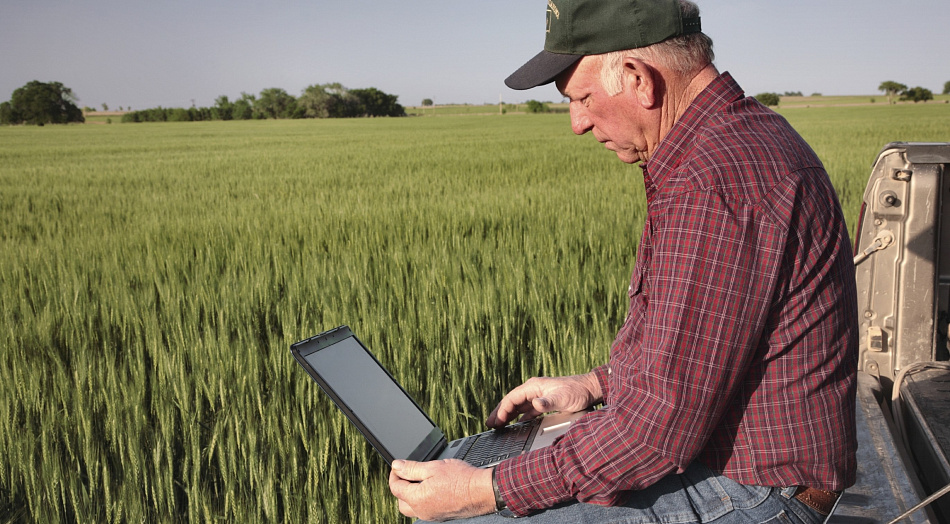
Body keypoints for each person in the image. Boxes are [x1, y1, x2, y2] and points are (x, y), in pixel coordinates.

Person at [389, 0, 858, 522]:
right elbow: (690, 356)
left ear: (638, 78)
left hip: (756, 492)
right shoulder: (716, 149)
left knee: (465, 518)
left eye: (582, 97)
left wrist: (484, 490)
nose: (577, 123)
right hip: (740, 470)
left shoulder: (716, 183)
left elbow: (656, 431)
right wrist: (592, 387)